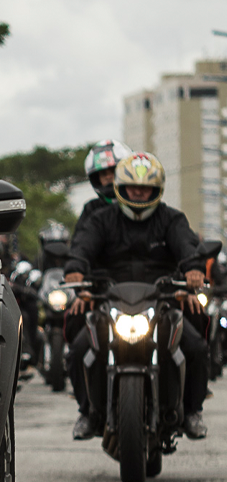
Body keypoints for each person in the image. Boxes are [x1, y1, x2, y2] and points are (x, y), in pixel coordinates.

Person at [64, 152, 209, 439]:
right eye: (133, 187)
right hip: (110, 301)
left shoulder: (171, 218)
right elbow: (82, 247)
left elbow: (187, 245)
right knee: (79, 350)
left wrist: (193, 270)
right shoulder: (102, 219)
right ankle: (87, 412)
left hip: (162, 299)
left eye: (146, 188)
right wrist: (76, 270)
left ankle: (192, 411)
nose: (139, 193)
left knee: (196, 347)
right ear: (121, 187)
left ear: (157, 190)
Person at [74, 139, 132, 231]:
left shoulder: (138, 202)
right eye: (103, 174)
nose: (108, 177)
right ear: (96, 179)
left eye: (113, 171)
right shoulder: (91, 209)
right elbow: (80, 242)